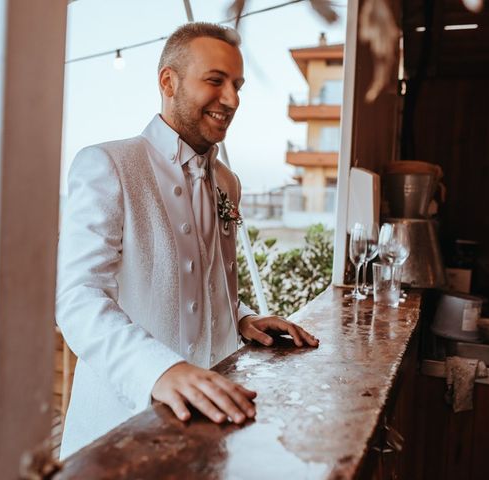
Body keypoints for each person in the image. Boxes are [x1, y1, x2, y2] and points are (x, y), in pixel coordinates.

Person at [56, 22, 319, 458]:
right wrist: (162, 370)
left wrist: (241, 317)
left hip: (212, 417)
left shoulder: (227, 183)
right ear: (168, 81)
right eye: (215, 81)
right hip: (120, 425)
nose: (232, 100)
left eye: (237, 85)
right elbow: (79, 299)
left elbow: (207, 282)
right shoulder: (108, 165)